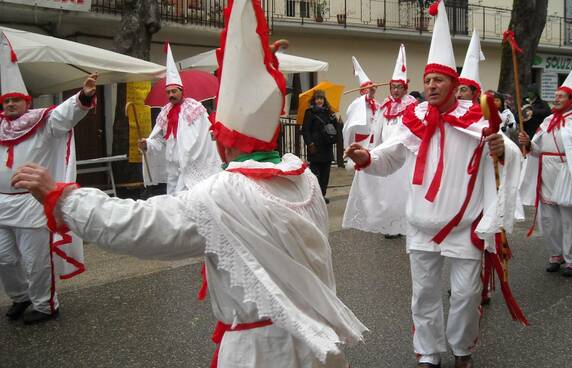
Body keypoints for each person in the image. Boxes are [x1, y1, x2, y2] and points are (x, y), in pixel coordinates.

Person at [12, 1, 366, 366]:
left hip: (260, 354)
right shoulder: (304, 177)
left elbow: (140, 226)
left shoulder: (225, 195)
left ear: (223, 140)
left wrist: (64, 198)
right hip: (317, 345)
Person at [345, 2, 524, 366]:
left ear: (454, 85)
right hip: (422, 224)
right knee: (424, 294)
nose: (430, 85)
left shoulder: (475, 121)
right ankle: (428, 351)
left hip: (463, 226)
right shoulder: (415, 119)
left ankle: (462, 349)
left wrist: (501, 147)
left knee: (465, 294)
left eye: (438, 80)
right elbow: (390, 154)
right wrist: (368, 158)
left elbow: (504, 154)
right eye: (427, 80)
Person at [0, 35, 94, 324]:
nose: (12, 104)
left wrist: (83, 98)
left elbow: (65, 116)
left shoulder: (42, 122)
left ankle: (45, 305)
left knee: (34, 260)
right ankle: (20, 297)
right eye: (7, 100)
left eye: (17, 99)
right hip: (1, 204)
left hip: (30, 204)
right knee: (5, 258)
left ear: (26, 101)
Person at [519, 51, 572, 278]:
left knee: (570, 221)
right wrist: (528, 144)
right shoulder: (546, 121)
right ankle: (555, 254)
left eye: (561, 96)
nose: (555, 99)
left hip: (567, 176)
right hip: (547, 174)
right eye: (555, 95)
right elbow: (537, 149)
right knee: (548, 220)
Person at [343, 44, 416, 239]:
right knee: (386, 191)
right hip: (385, 152)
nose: (395, 90)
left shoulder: (412, 106)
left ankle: (405, 220)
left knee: (403, 189)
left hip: (403, 153)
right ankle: (389, 222)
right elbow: (377, 127)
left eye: (399, 87)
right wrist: (374, 149)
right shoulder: (385, 106)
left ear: (405, 87)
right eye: (393, 87)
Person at [138, 43, 220, 194]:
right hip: (173, 166)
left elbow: (204, 135)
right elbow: (161, 140)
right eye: (168, 92)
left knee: (187, 199)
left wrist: (189, 155)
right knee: (173, 199)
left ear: (181, 90)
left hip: (191, 163)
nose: (170, 95)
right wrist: (148, 144)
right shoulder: (165, 112)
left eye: (174, 91)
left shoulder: (194, 108)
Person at [301, 90, 339, 203]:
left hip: (326, 147)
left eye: (321, 98)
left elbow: (334, 129)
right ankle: (315, 197)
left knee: (325, 174)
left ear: (324, 100)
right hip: (315, 148)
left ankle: (322, 195)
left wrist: (335, 119)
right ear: (314, 100)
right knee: (315, 174)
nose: (319, 100)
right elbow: (305, 130)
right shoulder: (309, 112)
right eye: (317, 98)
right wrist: (309, 143)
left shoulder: (329, 112)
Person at [456, 29, 484, 105]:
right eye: (456, 91)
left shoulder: (484, 116)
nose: (458, 95)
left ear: (475, 93)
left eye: (463, 90)